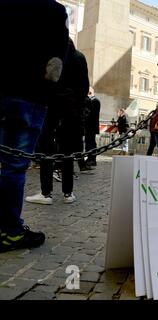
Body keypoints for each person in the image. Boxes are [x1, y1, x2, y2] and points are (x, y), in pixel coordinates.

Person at [0, 0, 69, 252]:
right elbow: (55, 65)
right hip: (28, 97)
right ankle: (10, 231)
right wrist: (48, 95)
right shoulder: (53, 10)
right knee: (14, 166)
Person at [26, 39, 90, 206]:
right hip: (72, 110)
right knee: (67, 151)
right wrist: (77, 106)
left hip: (52, 107)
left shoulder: (54, 55)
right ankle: (68, 193)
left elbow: (44, 82)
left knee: (47, 148)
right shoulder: (79, 57)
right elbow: (84, 86)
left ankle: (46, 193)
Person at [84, 87, 101, 167]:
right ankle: (90, 158)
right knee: (88, 142)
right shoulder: (92, 101)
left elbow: (91, 114)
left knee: (91, 143)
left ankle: (92, 159)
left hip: (91, 126)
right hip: (89, 126)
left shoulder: (95, 101)